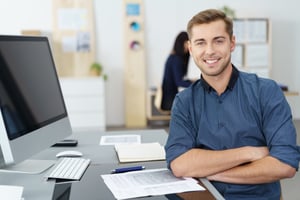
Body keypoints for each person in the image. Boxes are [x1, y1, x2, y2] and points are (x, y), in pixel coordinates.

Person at [165, 9, 300, 200]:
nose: (210, 50)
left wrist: (207, 171)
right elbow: (180, 164)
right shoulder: (184, 101)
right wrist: (249, 153)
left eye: (218, 40)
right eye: (201, 42)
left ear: (232, 43)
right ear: (191, 48)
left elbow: (285, 164)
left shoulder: (266, 92)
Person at [161, 31, 194, 111]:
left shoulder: (173, 57)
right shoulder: (176, 60)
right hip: (170, 100)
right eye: (187, 43)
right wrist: (196, 85)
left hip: (168, 98)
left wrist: (190, 81)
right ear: (182, 43)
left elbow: (177, 79)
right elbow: (179, 82)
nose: (189, 46)